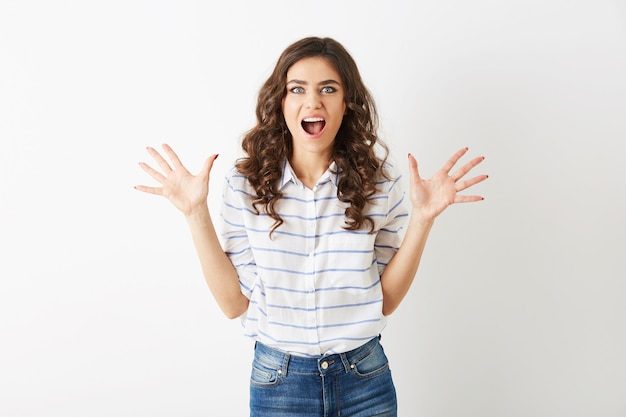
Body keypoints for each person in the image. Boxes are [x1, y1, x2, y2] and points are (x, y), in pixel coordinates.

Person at [135, 36, 487, 417]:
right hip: (279, 384)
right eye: (297, 89)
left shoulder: (380, 184)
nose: (313, 101)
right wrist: (194, 212)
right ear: (281, 103)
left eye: (328, 89)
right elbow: (233, 303)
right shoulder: (245, 185)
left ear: (346, 104)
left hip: (364, 380)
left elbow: (385, 299)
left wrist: (423, 219)